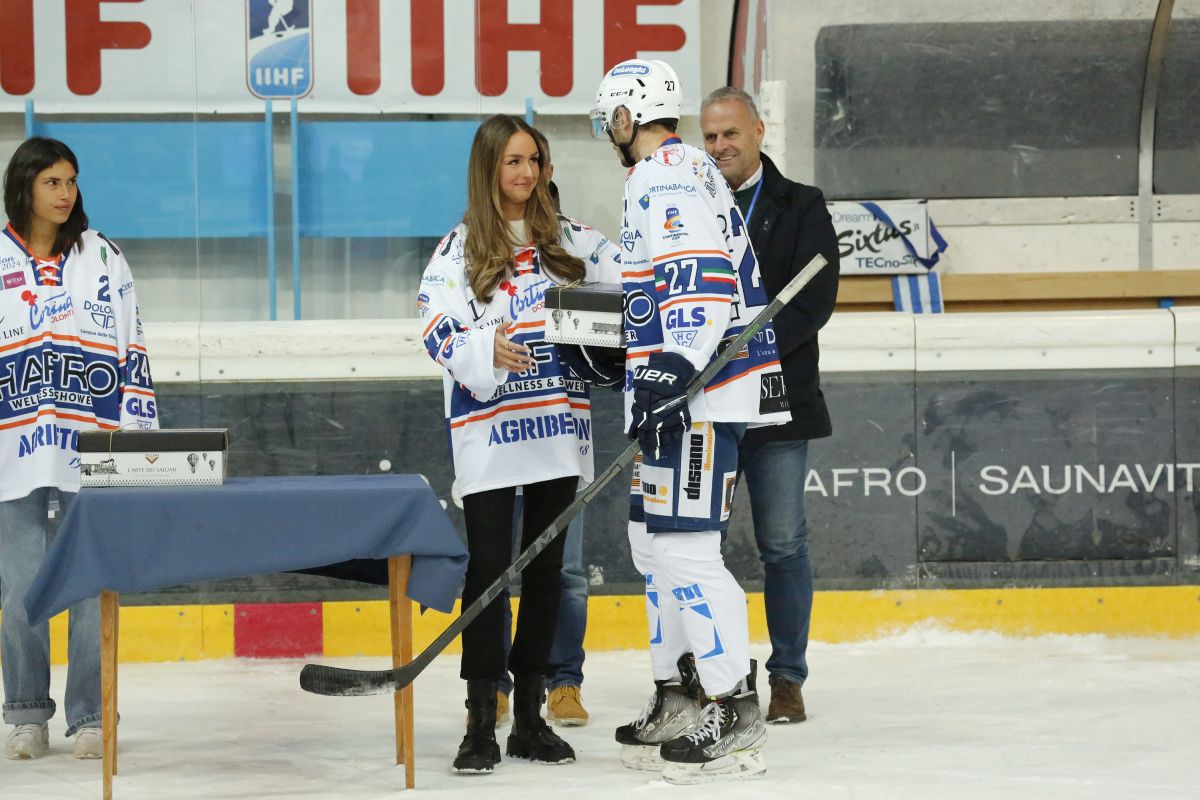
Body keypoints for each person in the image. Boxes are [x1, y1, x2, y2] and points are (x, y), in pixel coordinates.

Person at [589, 59, 788, 784]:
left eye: (607, 117)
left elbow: (700, 291)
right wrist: (626, 363)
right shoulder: (686, 171)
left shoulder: (664, 177)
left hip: (698, 398)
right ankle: (677, 693)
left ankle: (732, 705)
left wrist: (670, 371)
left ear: (623, 117)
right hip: (683, 391)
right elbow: (662, 293)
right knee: (653, 542)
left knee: (686, 552)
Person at [418, 114, 621, 774]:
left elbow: (629, 290)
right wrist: (482, 348)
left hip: (557, 431)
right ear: (488, 169)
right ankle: (482, 716)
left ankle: (529, 717)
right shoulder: (458, 248)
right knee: (487, 571)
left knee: (544, 571)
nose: (527, 173)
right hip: (490, 432)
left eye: (534, 159)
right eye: (513, 161)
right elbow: (435, 327)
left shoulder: (571, 238)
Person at [1, 137, 158, 760]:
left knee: (94, 585)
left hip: (92, 450)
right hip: (12, 454)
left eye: (71, 181)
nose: (66, 194)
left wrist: (137, 440)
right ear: (25, 188)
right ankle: (25, 712)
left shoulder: (103, 257)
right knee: (19, 587)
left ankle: (92, 716)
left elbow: (132, 347)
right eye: (52, 183)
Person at [700, 87, 840, 725]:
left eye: (731, 133)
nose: (721, 146)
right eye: (710, 137)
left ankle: (787, 678)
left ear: (758, 131)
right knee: (703, 547)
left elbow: (814, 300)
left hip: (777, 403)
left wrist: (746, 350)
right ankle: (716, 674)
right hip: (709, 404)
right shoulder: (691, 205)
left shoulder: (801, 204)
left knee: (782, 542)